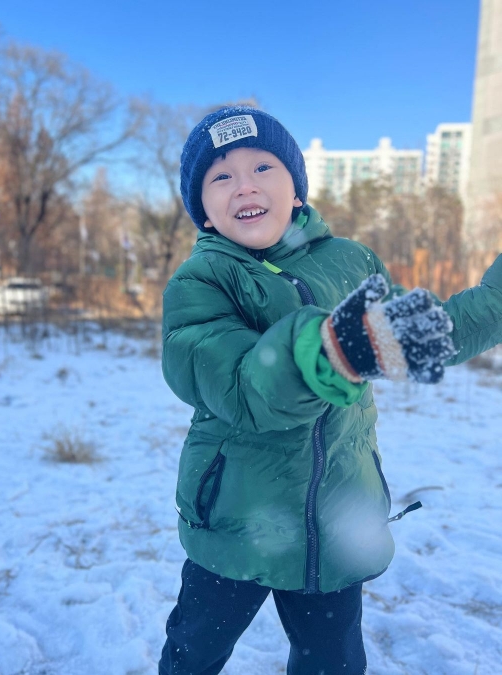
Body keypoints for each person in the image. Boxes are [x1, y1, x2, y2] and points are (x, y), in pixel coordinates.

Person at [158, 105, 502, 675]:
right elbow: (244, 388)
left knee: (334, 663)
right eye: (220, 177)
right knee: (194, 653)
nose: (244, 183)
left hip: (336, 523)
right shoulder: (200, 284)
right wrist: (329, 352)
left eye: (263, 167)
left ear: (296, 189)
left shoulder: (351, 261)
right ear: (206, 214)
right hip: (237, 525)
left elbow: (427, 333)